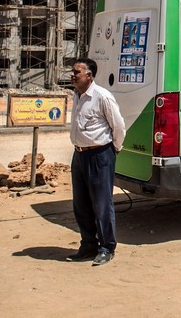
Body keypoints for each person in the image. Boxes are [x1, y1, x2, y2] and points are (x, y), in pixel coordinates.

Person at [68, 57, 126, 266]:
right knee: (81, 203)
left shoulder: (102, 96)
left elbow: (118, 126)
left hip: (100, 154)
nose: (72, 75)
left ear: (89, 75)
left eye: (77, 72)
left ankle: (106, 247)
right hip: (79, 155)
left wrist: (114, 149)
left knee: (101, 203)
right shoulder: (77, 95)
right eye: (72, 72)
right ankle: (88, 244)